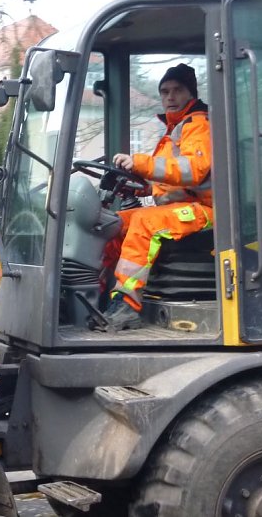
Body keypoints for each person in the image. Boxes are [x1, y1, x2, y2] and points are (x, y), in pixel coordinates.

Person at [100, 63, 213, 331]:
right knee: (112, 224)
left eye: (177, 90)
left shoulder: (199, 125)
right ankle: (99, 295)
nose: (170, 97)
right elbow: (170, 181)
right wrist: (143, 187)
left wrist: (140, 164)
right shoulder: (174, 130)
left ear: (191, 94)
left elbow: (193, 171)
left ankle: (127, 305)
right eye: (165, 91)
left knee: (145, 224)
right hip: (182, 206)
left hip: (210, 210)